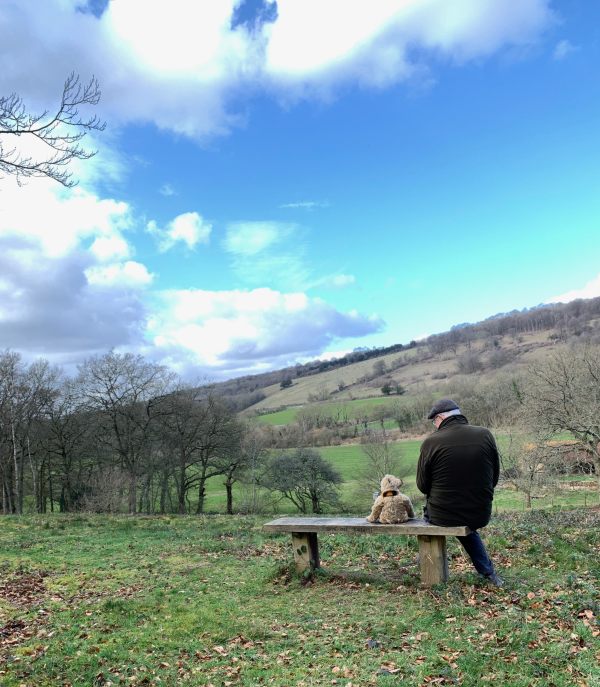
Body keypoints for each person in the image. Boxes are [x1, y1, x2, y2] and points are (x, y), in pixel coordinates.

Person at [416, 398, 503, 586]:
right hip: (479, 512)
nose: (435, 426)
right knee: (468, 527)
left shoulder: (431, 442)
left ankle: (425, 563)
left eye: (434, 422)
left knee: (435, 515)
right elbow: (494, 476)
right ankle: (488, 574)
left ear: (440, 418)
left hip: (442, 514)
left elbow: (422, 486)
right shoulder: (485, 435)